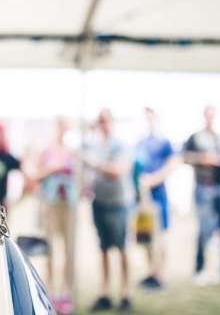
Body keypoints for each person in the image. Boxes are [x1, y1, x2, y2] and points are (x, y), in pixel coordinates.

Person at [86, 109, 134, 312]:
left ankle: (126, 294)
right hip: (100, 201)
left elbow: (117, 171)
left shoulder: (121, 145)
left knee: (122, 248)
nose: (103, 125)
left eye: (106, 121)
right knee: (103, 248)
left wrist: (95, 164)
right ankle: (104, 293)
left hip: (119, 203)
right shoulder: (96, 146)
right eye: (100, 121)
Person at [184, 106, 220, 286]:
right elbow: (185, 156)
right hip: (203, 187)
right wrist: (203, 158)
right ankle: (200, 269)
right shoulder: (196, 137)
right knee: (204, 230)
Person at [134, 108, 179, 290]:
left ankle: (160, 274)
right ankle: (151, 272)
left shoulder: (164, 142)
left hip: (158, 195)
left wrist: (153, 180)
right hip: (142, 198)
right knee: (145, 236)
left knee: (160, 236)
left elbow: (172, 164)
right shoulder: (140, 143)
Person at [37, 117, 77, 314]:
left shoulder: (73, 151)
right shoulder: (47, 150)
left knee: (70, 248)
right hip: (51, 203)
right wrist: (55, 168)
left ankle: (67, 293)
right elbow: (38, 174)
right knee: (51, 247)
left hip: (69, 204)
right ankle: (51, 291)